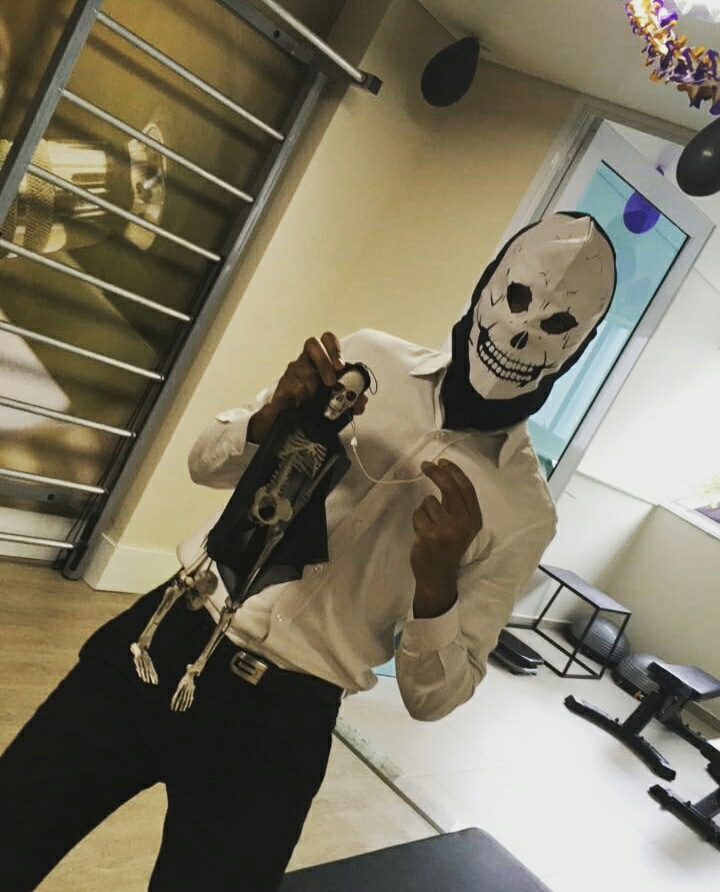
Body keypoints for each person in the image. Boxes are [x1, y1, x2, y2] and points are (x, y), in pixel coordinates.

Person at [0, 212, 616, 891]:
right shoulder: (367, 359)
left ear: (580, 346)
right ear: (487, 287)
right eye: (517, 298)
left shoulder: (524, 511)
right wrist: (271, 419)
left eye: (559, 323)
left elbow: (435, 697)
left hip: (279, 728)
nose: (524, 332)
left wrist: (437, 583)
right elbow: (206, 464)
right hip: (161, 640)